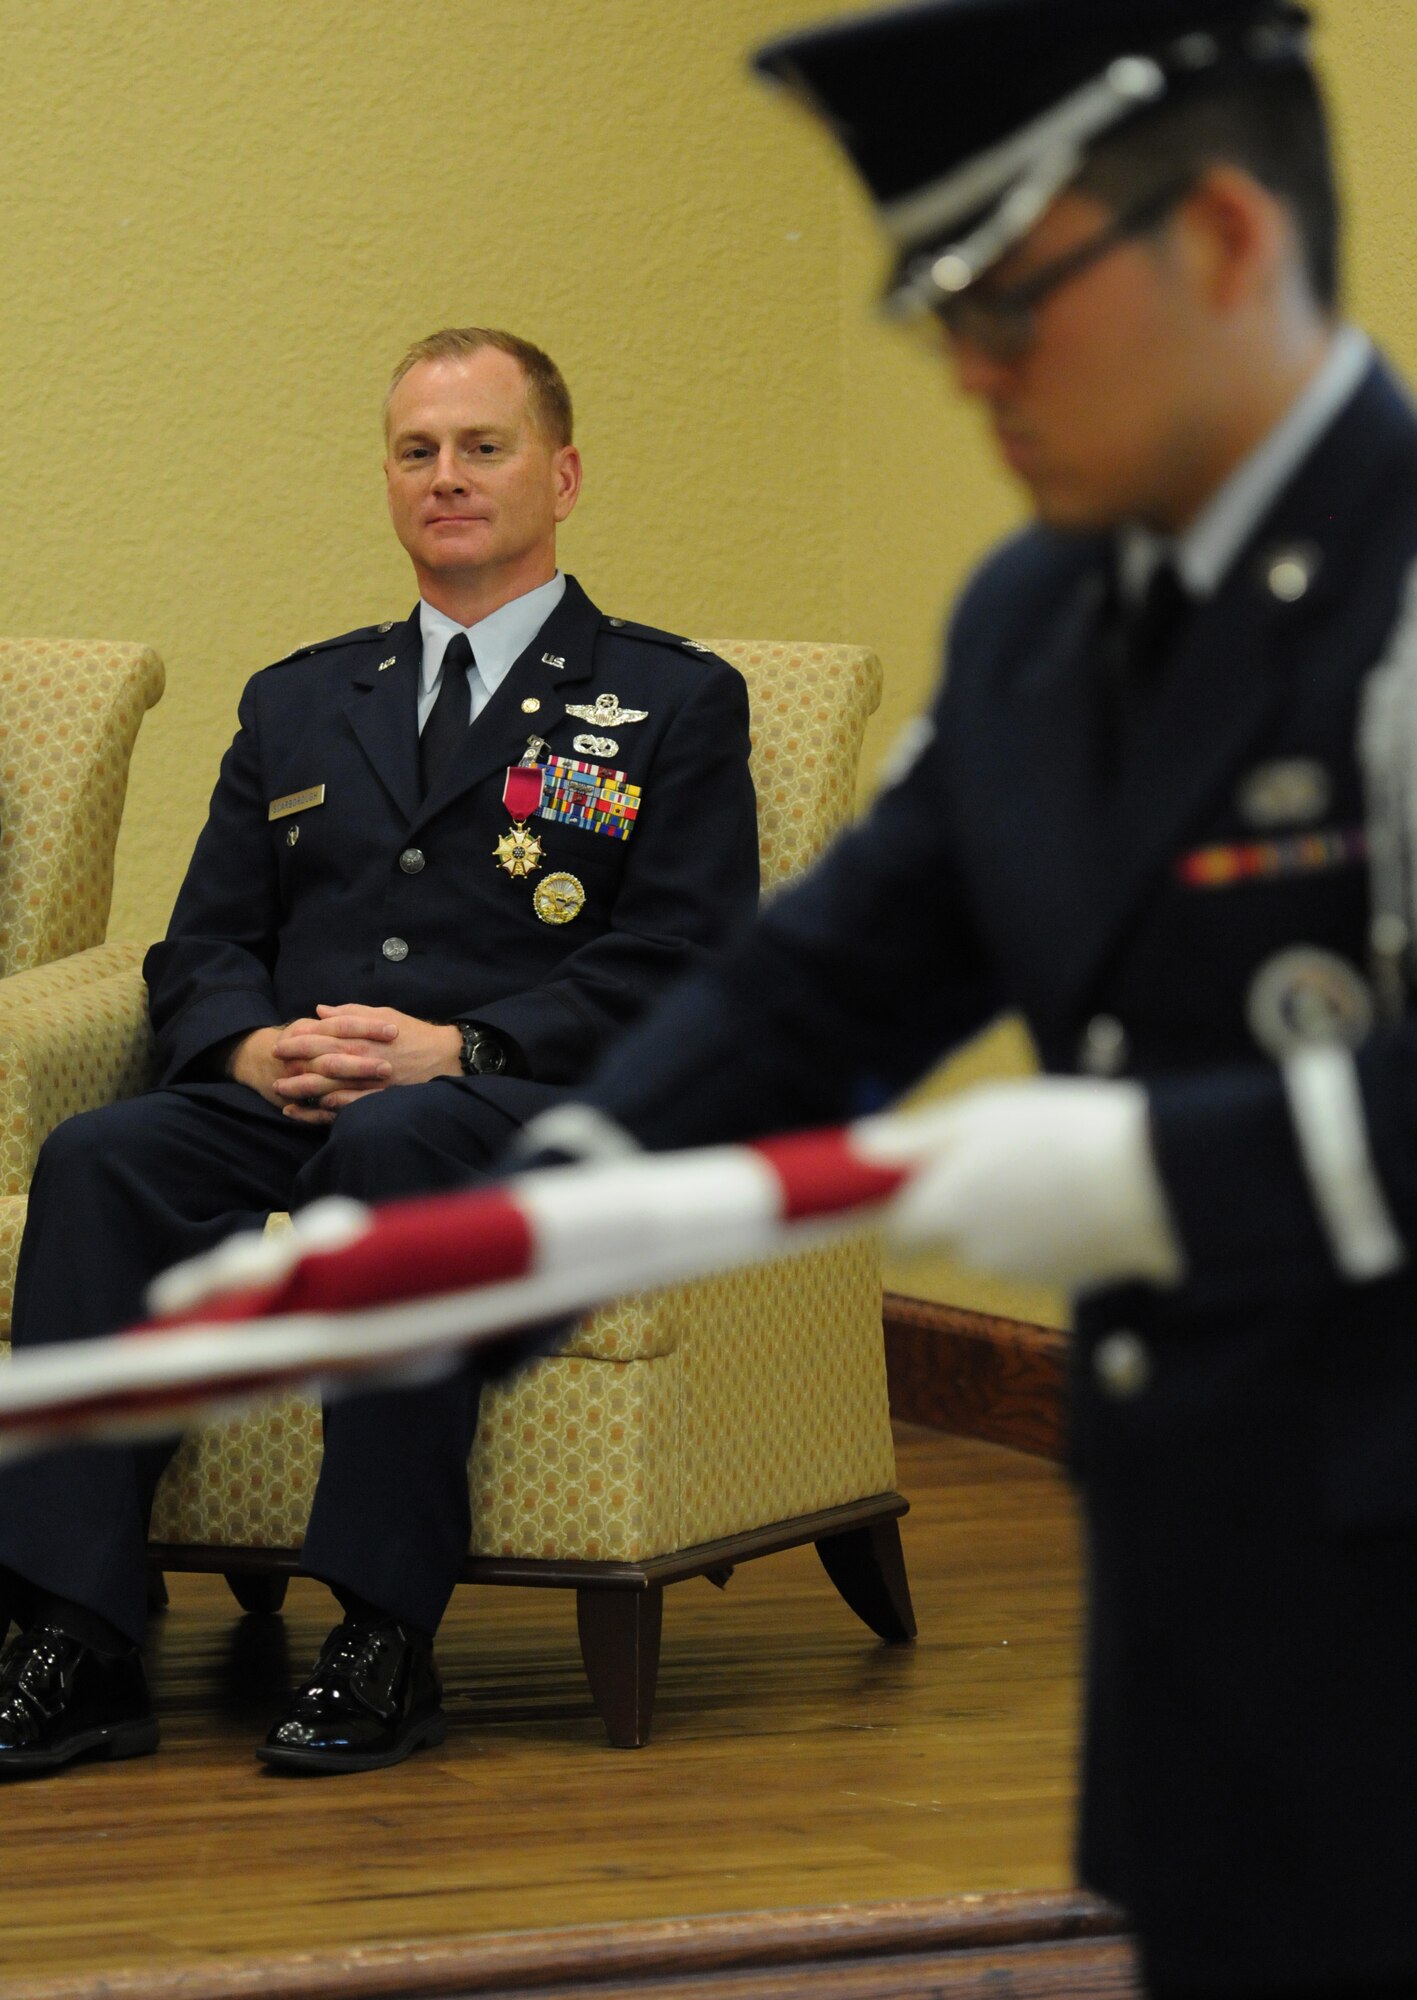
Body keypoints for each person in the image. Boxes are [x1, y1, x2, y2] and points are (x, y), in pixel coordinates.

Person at [522, 4, 1417, 1993]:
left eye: (1008, 299)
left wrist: (1173, 1171)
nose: (967, 372)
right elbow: (831, 967)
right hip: (1209, 1585)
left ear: (1227, 242)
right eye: (939, 314)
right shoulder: (1040, 617)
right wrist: (552, 1190)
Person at [0, 326, 757, 1777]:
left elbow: (685, 959)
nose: (447, 478)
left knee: (402, 1142)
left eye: (484, 446)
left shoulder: (666, 701)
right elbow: (202, 943)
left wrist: (460, 1043)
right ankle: (76, 1634)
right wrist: (244, 1049)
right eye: (417, 451)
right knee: (99, 1160)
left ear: (565, 473)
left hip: (512, 1102)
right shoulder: (300, 697)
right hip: (300, 1092)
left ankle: (381, 1634)